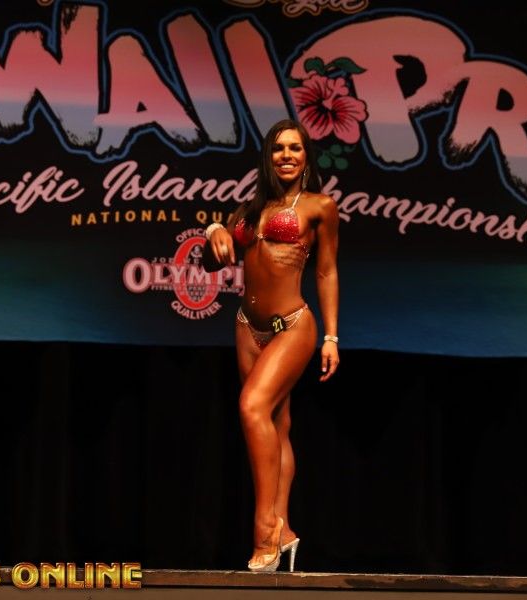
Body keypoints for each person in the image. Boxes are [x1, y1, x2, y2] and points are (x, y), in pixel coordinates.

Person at [203, 119, 340, 572]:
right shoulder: (248, 210)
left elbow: (326, 271)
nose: (287, 156)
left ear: (306, 157)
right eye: (279, 148)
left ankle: (264, 528)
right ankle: (284, 530)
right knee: (277, 426)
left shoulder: (320, 206)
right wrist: (213, 232)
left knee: (252, 408)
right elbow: (211, 263)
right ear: (268, 156)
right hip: (248, 327)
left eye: (295, 148)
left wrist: (331, 337)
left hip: (292, 326)